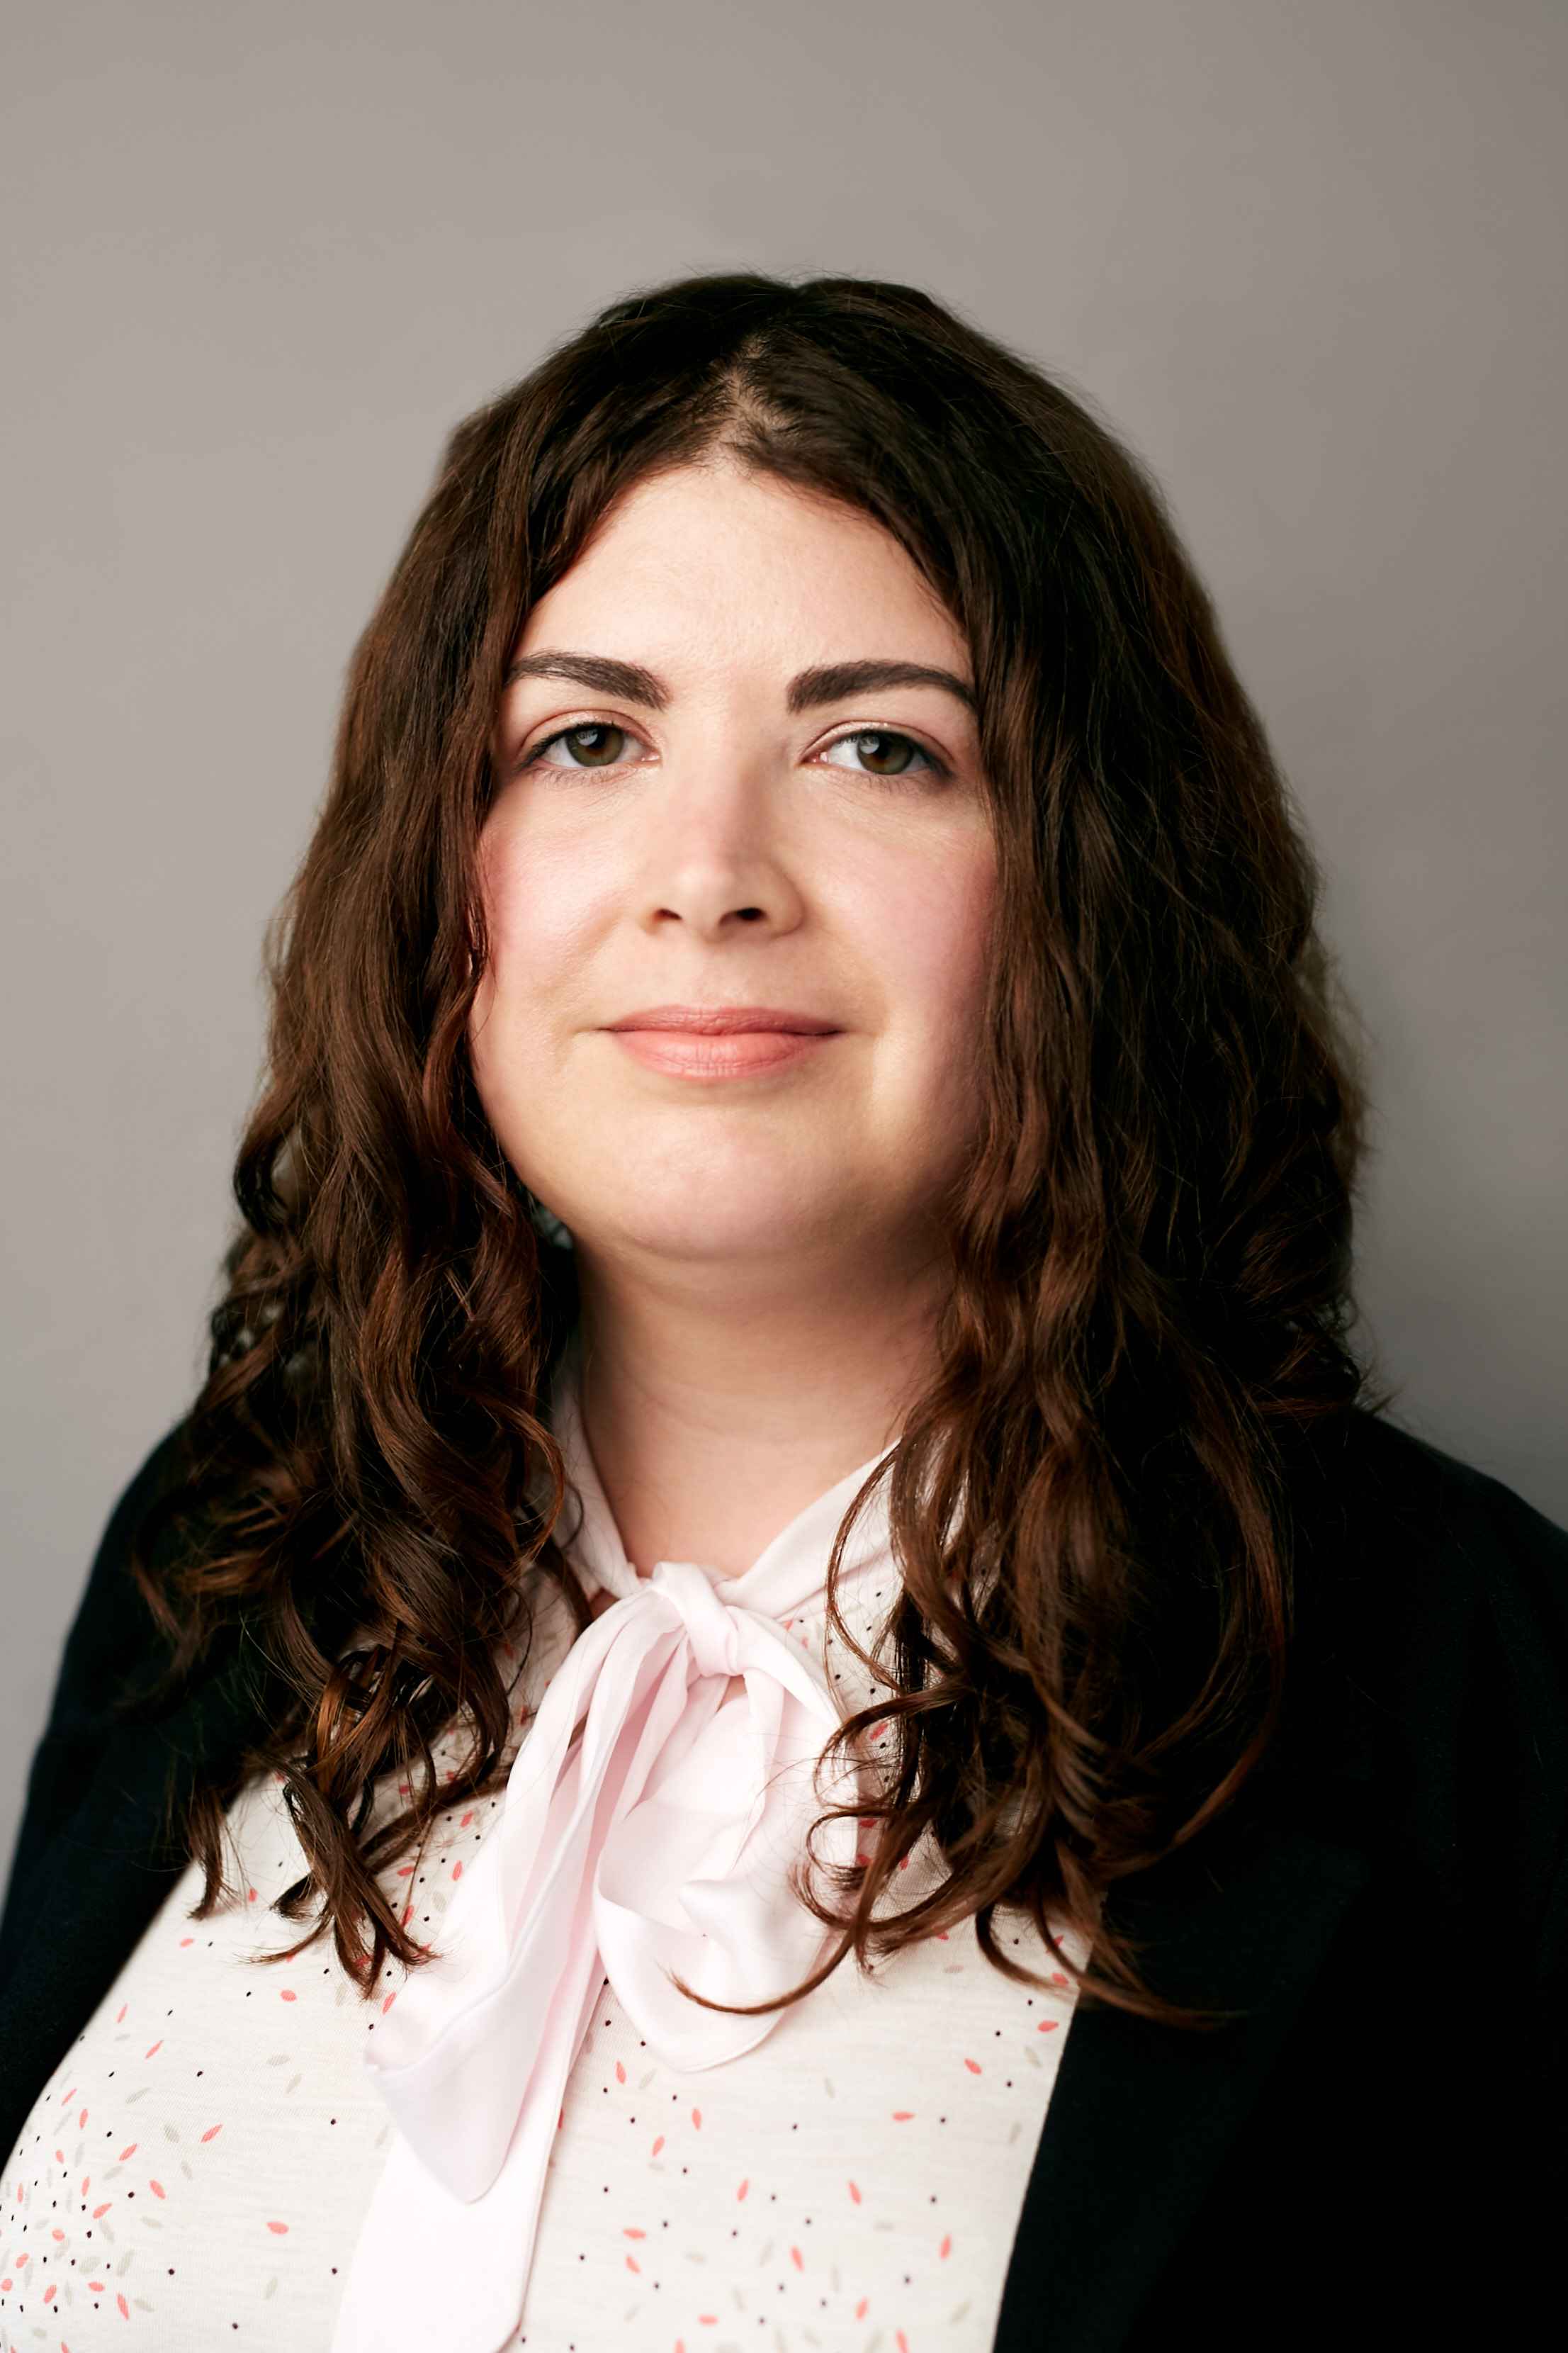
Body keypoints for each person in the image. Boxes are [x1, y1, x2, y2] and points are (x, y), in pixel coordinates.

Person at [0, 270, 1562, 2353]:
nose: (710, 871)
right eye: (587, 737)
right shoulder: (225, 1555)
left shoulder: (1474, 1693)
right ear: (448, 873)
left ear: (1090, 877)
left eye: (879, 747)